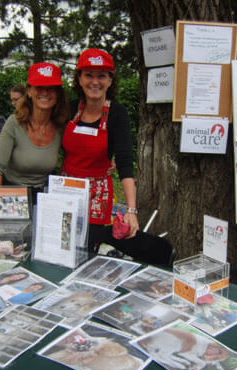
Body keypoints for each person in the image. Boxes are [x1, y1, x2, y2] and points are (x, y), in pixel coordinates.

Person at [62, 48, 140, 253]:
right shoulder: (69, 109)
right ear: (79, 79)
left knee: (88, 249)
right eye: (89, 75)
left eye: (102, 76)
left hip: (97, 195)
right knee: (63, 245)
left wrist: (131, 210)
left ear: (110, 80)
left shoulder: (117, 113)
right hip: (67, 190)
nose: (95, 82)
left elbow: (125, 162)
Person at [0, 62, 69, 193]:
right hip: (13, 194)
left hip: (44, 195)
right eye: (39, 87)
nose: (45, 93)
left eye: (50, 88)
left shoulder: (61, 127)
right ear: (29, 91)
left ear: (58, 94)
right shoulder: (14, 123)